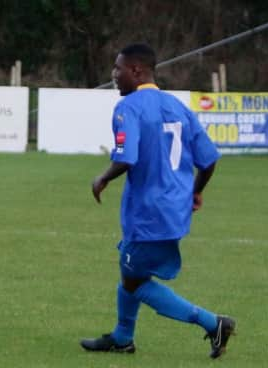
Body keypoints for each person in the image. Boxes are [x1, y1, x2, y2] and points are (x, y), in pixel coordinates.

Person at [80, 43, 235, 358]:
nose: (113, 75)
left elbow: (127, 156)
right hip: (173, 209)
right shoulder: (177, 106)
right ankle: (123, 337)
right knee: (131, 271)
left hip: (149, 212)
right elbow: (209, 160)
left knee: (135, 281)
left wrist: (103, 178)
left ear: (136, 70)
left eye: (117, 68)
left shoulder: (129, 107)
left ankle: (213, 323)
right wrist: (195, 191)